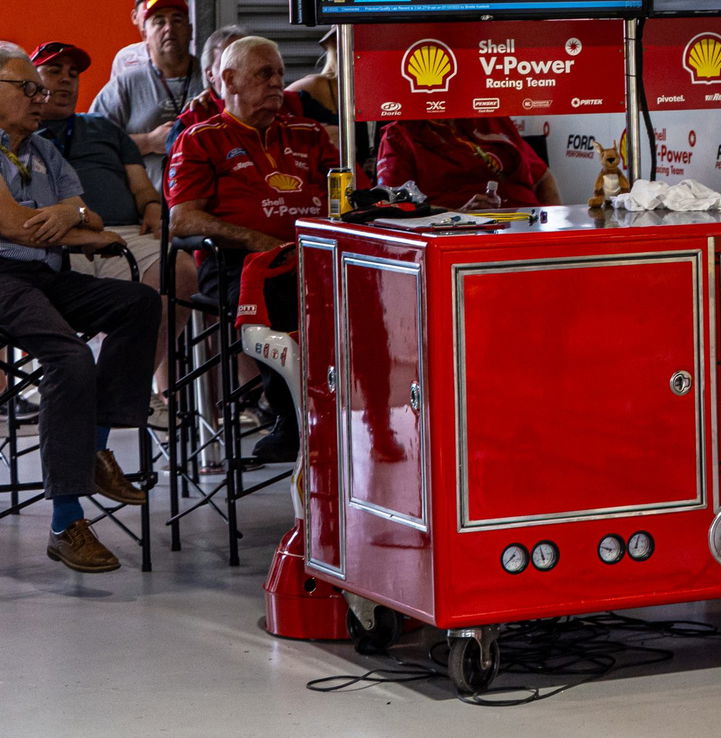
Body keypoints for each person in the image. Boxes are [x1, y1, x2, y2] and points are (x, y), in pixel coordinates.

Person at [0, 42, 161, 573]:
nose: (39, 96)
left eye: (38, 89)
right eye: (27, 87)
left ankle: (94, 448)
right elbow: (14, 226)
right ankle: (65, 521)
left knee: (138, 303)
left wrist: (70, 211)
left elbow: (90, 216)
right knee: (69, 358)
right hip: (3, 277)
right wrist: (64, 220)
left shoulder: (46, 150)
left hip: (45, 273)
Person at [167, 36, 337, 462]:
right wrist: (255, 239)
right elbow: (182, 220)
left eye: (280, 74)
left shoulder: (309, 133)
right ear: (229, 79)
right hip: (239, 265)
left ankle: (362, 414)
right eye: (265, 74)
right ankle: (292, 418)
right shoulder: (200, 139)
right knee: (284, 296)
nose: (278, 84)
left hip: (317, 257)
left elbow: (350, 196)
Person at [32, 42, 198, 428]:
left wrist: (154, 207)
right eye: (54, 71)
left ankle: (126, 386)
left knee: (181, 272)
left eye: (73, 75)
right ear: (30, 81)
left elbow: (141, 186)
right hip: (52, 238)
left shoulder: (103, 128)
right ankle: (70, 391)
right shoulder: (21, 130)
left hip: (121, 234)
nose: (65, 81)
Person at [90, 0, 198, 185]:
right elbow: (93, 146)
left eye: (177, 20)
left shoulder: (212, 81)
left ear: (190, 31)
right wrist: (148, 142)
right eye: (159, 22)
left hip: (205, 208)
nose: (169, 28)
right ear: (144, 33)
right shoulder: (124, 85)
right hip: (145, 210)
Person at [376, 117, 559, 209]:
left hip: (525, 231)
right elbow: (395, 206)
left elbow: (543, 179)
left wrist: (554, 232)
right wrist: (460, 218)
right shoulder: (400, 136)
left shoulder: (493, 118)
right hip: (459, 240)